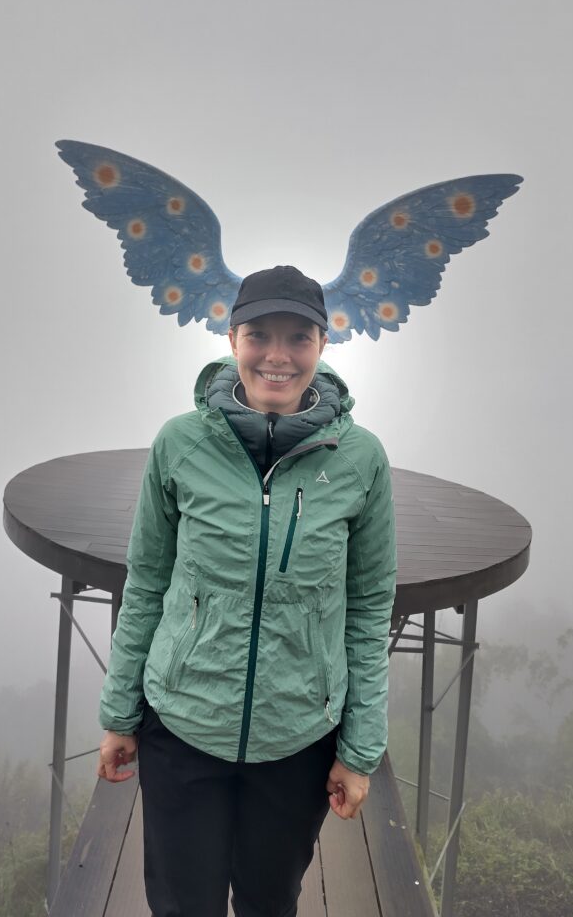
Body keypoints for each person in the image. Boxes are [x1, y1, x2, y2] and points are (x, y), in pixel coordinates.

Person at [96, 265, 397, 917]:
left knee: (269, 903)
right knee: (183, 905)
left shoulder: (361, 460)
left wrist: (359, 751)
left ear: (323, 344)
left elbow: (370, 609)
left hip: (297, 738)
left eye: (298, 337)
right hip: (182, 725)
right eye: (259, 334)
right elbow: (146, 583)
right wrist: (120, 713)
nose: (277, 356)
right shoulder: (180, 444)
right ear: (233, 338)